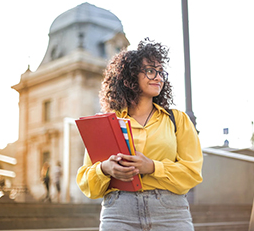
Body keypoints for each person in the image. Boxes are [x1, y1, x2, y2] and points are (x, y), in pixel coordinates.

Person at [76, 38, 203, 231]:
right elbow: (87, 182)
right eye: (151, 70)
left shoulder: (177, 119)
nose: (158, 77)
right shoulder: (107, 123)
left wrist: (152, 167)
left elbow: (192, 173)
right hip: (118, 212)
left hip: (170, 212)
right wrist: (105, 169)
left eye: (161, 72)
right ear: (130, 75)